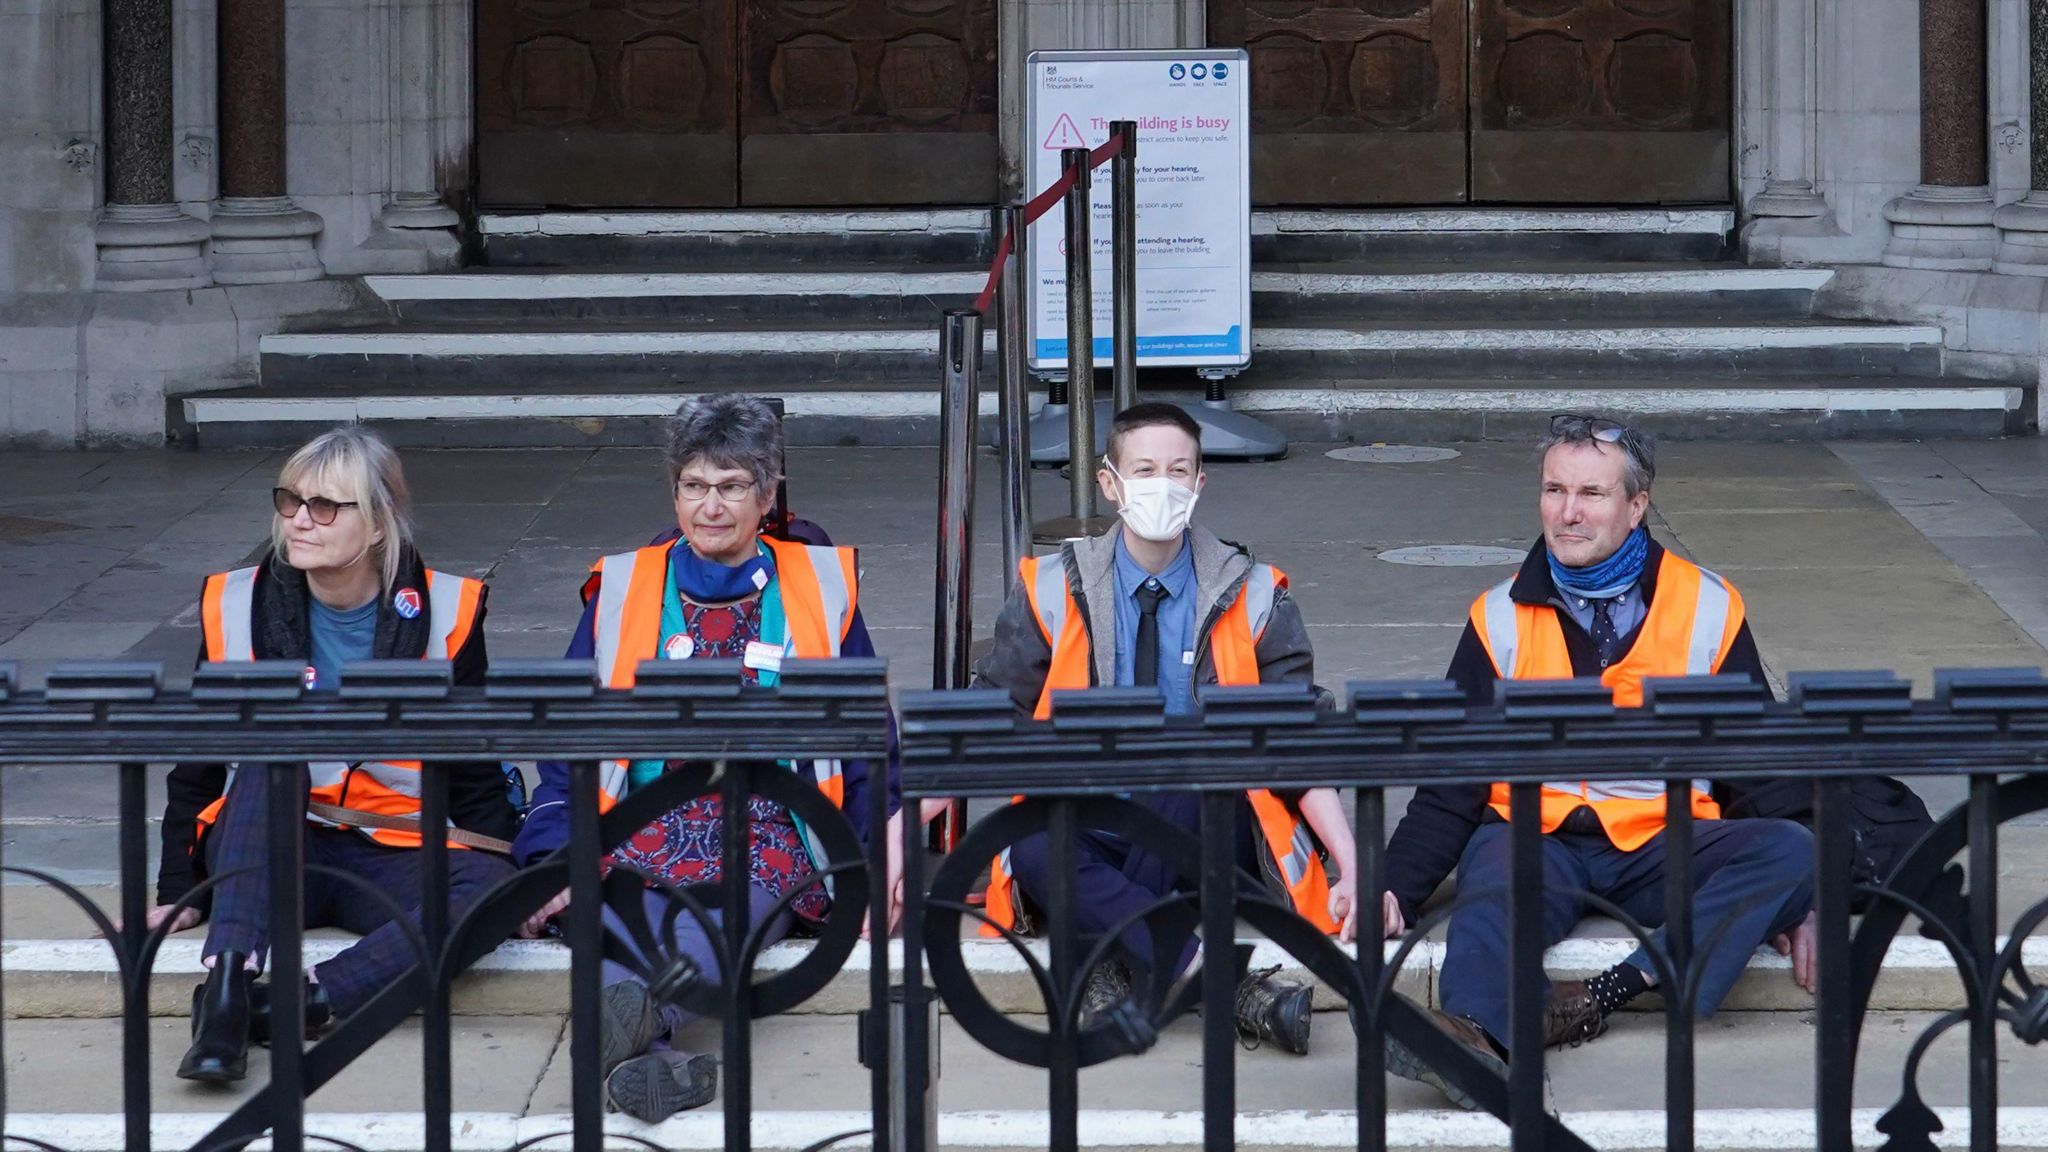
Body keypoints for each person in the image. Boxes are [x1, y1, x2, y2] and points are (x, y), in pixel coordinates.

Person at [1378, 414, 1817, 1109]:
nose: (1569, 512)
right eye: (1555, 490)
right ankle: (1474, 1040)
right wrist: (1394, 887)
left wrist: (1807, 898)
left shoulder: (1708, 605)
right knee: (1488, 892)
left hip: (1661, 840)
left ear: (1637, 506)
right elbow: (1453, 775)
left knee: (1792, 850)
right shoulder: (1497, 615)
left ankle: (1605, 993)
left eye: (1592, 493)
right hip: (1538, 834)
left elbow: (1755, 758)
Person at [510, 394, 904, 1123]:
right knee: (612, 894)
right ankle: (655, 1056)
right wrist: (551, 852)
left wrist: (885, 844)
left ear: (766, 495)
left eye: (731, 486)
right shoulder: (625, 585)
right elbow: (576, 731)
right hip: (645, 814)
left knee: (738, 899)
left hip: (773, 821)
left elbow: (865, 733)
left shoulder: (817, 583)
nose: (711, 505)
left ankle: (628, 1023)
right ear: (674, 493)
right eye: (695, 485)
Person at [972, 402, 1359, 1056]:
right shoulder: (1048, 589)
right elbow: (991, 717)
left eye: (1178, 469)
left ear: (1200, 483)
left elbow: (1301, 730)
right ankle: (1217, 981)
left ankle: (1109, 964)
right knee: (1036, 844)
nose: (1163, 483)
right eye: (1144, 469)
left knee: (1200, 777)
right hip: (1089, 809)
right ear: (1108, 484)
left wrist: (1352, 863)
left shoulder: (1254, 592)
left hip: (1205, 815)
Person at [168, 427, 519, 1085]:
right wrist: (181, 891)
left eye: (325, 506)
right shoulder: (234, 601)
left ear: (380, 524)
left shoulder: (450, 608)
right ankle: (226, 992)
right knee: (274, 761)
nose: (299, 519)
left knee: (490, 890)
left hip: (389, 847)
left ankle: (301, 1000)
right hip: (271, 846)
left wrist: (511, 869)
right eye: (290, 500)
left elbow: (473, 760)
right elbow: (199, 757)